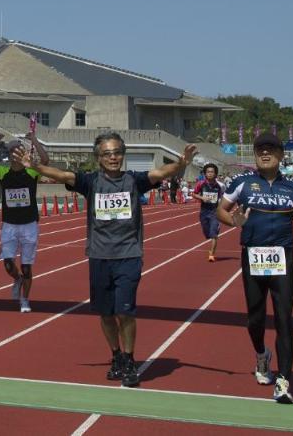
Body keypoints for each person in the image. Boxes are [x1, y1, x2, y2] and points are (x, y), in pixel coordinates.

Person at [33, 133, 195, 388]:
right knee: (106, 314)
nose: (113, 157)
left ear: (123, 154)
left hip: (129, 255)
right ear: (98, 158)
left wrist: (182, 163)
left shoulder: (134, 180)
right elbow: (63, 175)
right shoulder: (90, 182)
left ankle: (130, 360)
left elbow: (161, 172)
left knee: (125, 311)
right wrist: (35, 167)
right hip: (99, 256)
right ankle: (116, 355)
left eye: (117, 152)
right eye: (107, 153)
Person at [217, 130, 293, 405]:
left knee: (285, 318)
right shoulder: (242, 183)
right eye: (260, 148)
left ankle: (284, 381)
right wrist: (233, 221)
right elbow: (221, 210)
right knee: (255, 318)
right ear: (255, 154)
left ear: (281, 155)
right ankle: (262, 355)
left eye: (271, 148)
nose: (265, 152)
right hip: (253, 257)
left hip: (283, 259)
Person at [0, 131, 49, 312]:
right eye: (12, 152)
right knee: (8, 264)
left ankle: (25, 300)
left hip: (29, 225)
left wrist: (33, 139)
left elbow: (45, 160)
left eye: (18, 152)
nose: (15, 155)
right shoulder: (2, 172)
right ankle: (17, 279)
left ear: (23, 154)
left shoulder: (32, 172)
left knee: (26, 267)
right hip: (9, 225)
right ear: (9, 156)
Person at [191, 163, 225, 261]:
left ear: (215, 174)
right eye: (208, 172)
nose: (210, 174)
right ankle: (209, 238)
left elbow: (224, 197)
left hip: (215, 212)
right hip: (204, 211)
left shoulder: (220, 185)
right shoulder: (201, 184)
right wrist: (202, 197)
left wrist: (221, 206)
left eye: (212, 172)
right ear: (205, 174)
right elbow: (193, 194)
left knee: (213, 234)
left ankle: (212, 254)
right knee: (207, 233)